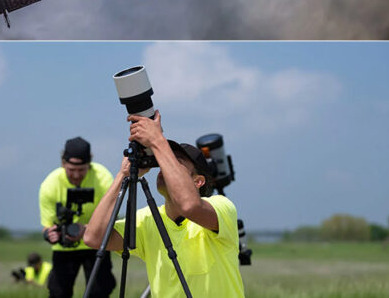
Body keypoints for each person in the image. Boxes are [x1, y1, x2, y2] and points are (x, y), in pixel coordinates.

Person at [84, 112, 245, 298]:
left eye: (175, 163)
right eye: (163, 162)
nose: (164, 168)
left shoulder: (221, 206)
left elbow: (189, 206)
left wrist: (158, 142)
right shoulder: (148, 220)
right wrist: (123, 175)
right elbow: (94, 238)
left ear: (198, 181)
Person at [39, 137, 116, 298]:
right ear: (63, 164)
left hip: (96, 242)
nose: (76, 175)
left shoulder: (103, 179)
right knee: (58, 292)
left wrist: (86, 230)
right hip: (64, 247)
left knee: (100, 290)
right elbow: (47, 226)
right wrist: (50, 234)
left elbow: (109, 219)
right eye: (71, 170)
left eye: (81, 170)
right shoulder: (50, 185)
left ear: (90, 164)